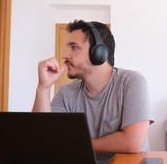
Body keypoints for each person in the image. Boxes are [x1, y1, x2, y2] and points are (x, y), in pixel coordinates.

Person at [32, 20, 153, 153]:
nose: (64, 55)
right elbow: (41, 138)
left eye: (74, 47)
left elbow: (132, 142)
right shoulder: (66, 93)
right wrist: (44, 87)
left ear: (98, 53)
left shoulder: (132, 82)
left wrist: (75, 143)